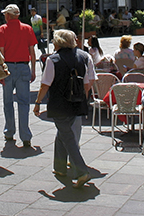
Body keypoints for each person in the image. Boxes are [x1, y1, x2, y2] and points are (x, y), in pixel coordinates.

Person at [33, 30, 92, 188]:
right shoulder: (82, 57)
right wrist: (84, 99)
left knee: (67, 136)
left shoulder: (53, 60)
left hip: (60, 103)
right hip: (76, 101)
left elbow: (45, 84)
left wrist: (38, 103)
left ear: (58, 42)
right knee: (63, 132)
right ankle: (59, 167)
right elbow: (87, 83)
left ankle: (82, 171)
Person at [0, 4, 37, 146]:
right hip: (23, 67)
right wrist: (33, 70)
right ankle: (25, 135)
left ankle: (9, 131)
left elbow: (1, 53)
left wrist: (0, 72)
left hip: (8, 68)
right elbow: (32, 51)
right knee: (24, 102)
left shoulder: (2, 29)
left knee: (8, 102)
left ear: (8, 15)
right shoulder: (27, 28)